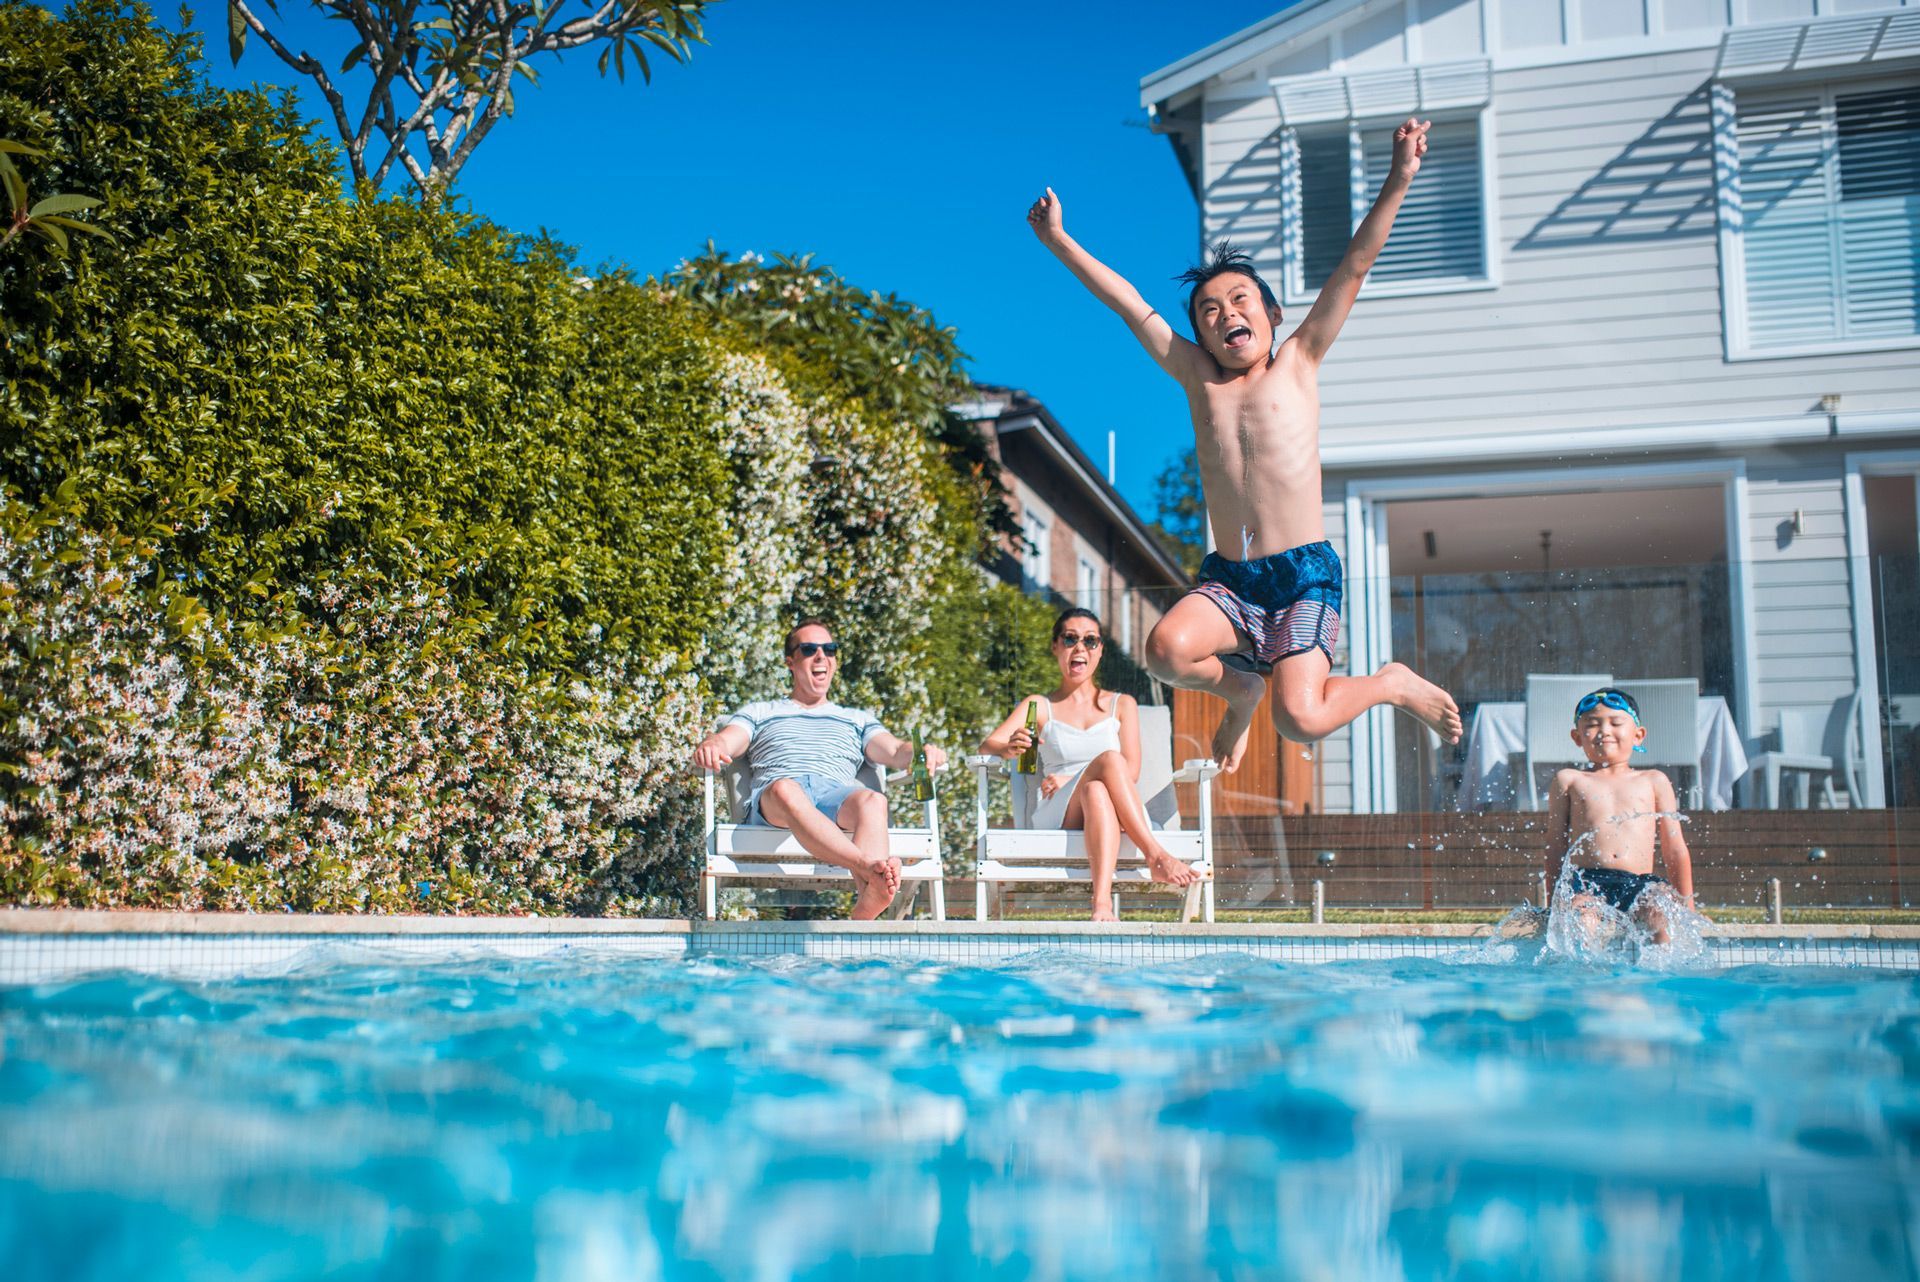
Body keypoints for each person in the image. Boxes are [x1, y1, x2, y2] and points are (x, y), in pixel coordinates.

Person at [1026, 116, 1463, 773]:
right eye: (1210, 311)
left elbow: (1355, 265)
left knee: (1302, 720)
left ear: (1273, 314)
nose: (1227, 314)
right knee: (1165, 649)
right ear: (1199, 338)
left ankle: (1390, 683)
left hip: (1303, 579)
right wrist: (1059, 240)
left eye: (1240, 301)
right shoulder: (1197, 379)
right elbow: (1130, 305)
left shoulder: (1299, 360)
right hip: (1232, 580)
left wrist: (1398, 179)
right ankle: (1241, 689)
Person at [691, 619, 946, 920]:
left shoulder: (856, 718)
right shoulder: (762, 711)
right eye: (809, 649)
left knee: (873, 800)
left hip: (833, 796)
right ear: (791, 662)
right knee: (787, 789)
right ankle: (868, 869)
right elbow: (730, 739)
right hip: (776, 799)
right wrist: (714, 742)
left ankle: (865, 909)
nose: (821, 656)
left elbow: (893, 750)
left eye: (830, 649)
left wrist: (920, 751)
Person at [979, 607, 1199, 921]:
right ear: (1056, 646)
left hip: (1110, 803)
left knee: (1096, 789)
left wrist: (1070, 777)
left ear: (1100, 651)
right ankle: (1156, 855)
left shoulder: (1122, 704)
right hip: (1059, 812)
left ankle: (1101, 907)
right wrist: (1011, 746)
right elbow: (988, 745)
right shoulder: (1039, 705)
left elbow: (1131, 771)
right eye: (1070, 639)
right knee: (1109, 759)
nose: (1080, 647)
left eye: (1090, 641)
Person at [1544, 688, 1698, 944]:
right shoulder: (1569, 780)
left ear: (1638, 736)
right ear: (1577, 737)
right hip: (1586, 883)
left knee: (1659, 915)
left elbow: (1675, 849)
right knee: (1581, 919)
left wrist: (1689, 907)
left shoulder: (1653, 780)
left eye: (1616, 723)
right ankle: (1588, 981)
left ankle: (1660, 980)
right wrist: (1552, 906)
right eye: (1592, 725)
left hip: (1639, 883)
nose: (1604, 731)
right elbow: (1555, 846)